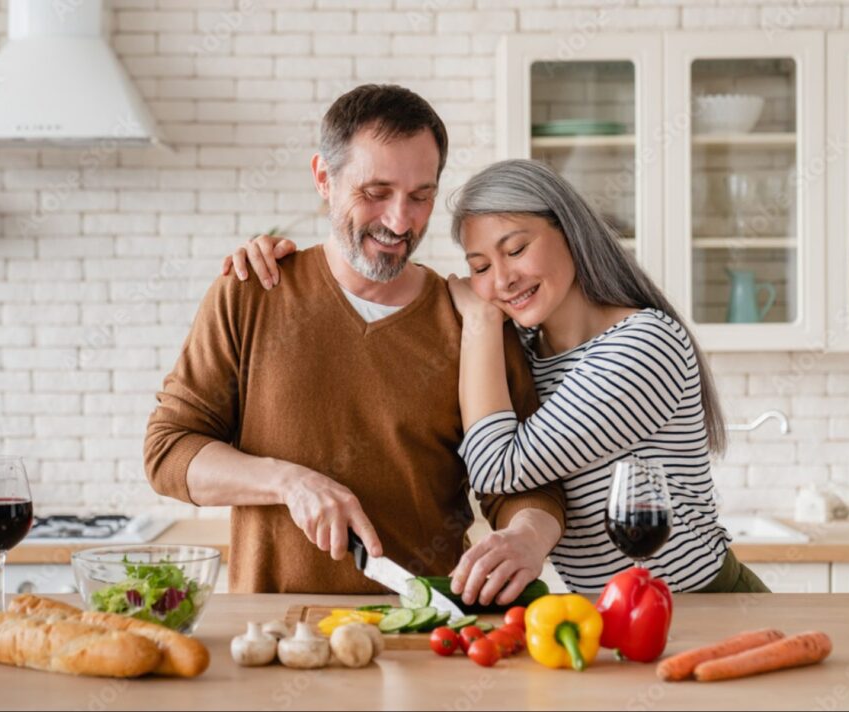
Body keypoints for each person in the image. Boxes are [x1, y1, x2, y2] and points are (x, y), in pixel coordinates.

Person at [227, 159, 769, 595]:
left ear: (572, 233)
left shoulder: (641, 346)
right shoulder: (529, 349)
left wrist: (481, 320)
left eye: (516, 249)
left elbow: (495, 466)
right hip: (611, 611)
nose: (503, 279)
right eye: (481, 267)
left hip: (702, 605)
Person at [145, 85, 566, 604]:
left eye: (421, 196)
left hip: (425, 637)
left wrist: (527, 536)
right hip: (277, 637)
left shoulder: (474, 323)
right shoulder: (252, 293)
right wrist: (287, 482)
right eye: (375, 193)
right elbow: (168, 453)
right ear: (324, 178)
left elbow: (529, 483)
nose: (399, 221)